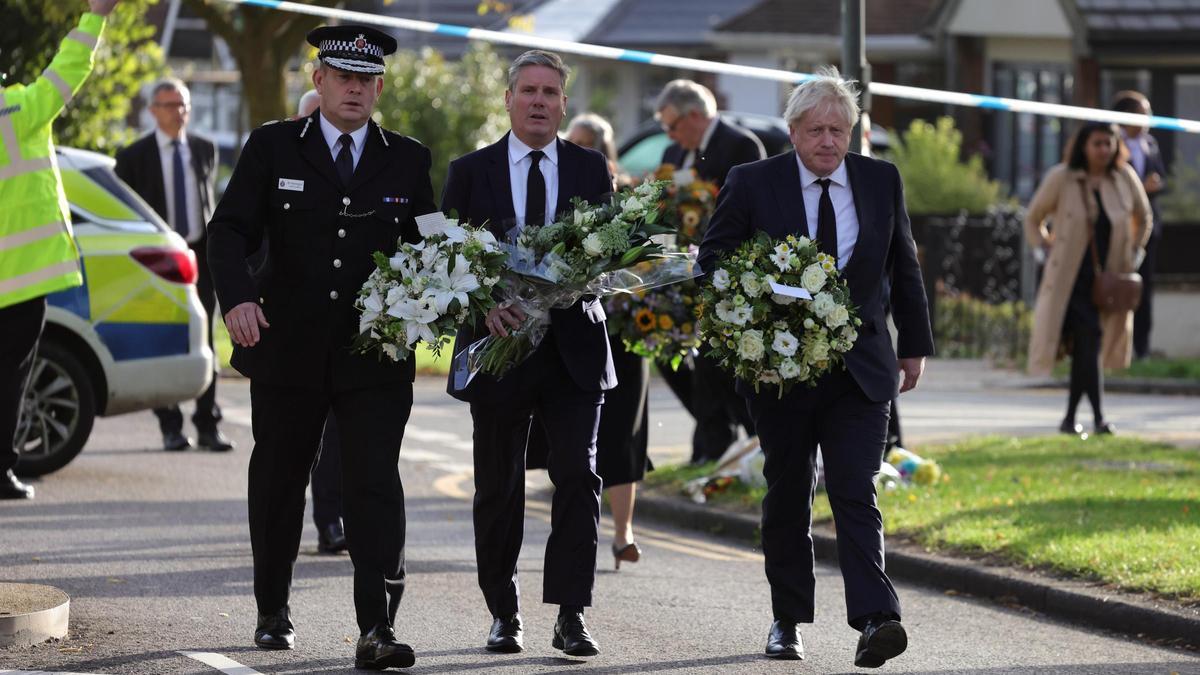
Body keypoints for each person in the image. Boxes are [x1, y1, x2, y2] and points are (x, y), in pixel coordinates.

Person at [207, 24, 436, 670]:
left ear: (380, 88)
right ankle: (272, 608)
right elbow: (226, 231)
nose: (355, 89)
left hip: (373, 356)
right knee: (279, 481)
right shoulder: (273, 147)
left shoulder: (409, 158)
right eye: (344, 77)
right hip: (288, 351)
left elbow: (435, 245)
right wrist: (238, 299)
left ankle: (377, 626)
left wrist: (447, 299)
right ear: (319, 80)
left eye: (367, 81)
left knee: (373, 487)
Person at [699, 66, 933, 667]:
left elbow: (903, 264)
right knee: (788, 491)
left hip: (862, 369)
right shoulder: (753, 181)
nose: (829, 141)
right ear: (794, 131)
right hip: (780, 371)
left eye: (840, 130)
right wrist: (761, 301)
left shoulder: (880, 180)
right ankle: (787, 619)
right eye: (817, 130)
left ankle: (876, 619)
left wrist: (916, 345)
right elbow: (715, 260)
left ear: (852, 134)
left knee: (855, 488)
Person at [441, 50, 614, 657]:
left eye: (550, 92)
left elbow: (608, 254)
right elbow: (447, 264)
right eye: (529, 91)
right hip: (499, 349)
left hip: (574, 351)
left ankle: (571, 614)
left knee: (577, 475)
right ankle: (502, 611)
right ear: (509, 99)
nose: (539, 101)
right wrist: (484, 303)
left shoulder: (592, 169)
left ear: (564, 103)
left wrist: (590, 277)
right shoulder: (470, 171)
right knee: (498, 486)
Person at [1, 0, 119, 500]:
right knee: (8, 381)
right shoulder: (18, 108)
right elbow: (69, 68)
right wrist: (97, 14)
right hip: (20, 281)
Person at [115, 78, 230, 453]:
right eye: (169, 105)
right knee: (165, 339)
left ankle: (208, 425)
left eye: (183, 104)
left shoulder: (204, 148)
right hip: (159, 262)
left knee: (205, 342)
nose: (178, 112)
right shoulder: (133, 157)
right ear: (152, 111)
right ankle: (170, 425)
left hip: (200, 258)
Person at [655, 79, 765, 464]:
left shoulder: (739, 145)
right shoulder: (674, 151)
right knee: (669, 355)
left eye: (673, 125)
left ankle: (721, 443)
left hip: (723, 270)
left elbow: (748, 210)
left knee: (711, 359)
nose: (669, 134)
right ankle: (714, 437)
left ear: (697, 115)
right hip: (678, 271)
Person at [1025, 121, 1151, 436]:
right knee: (1089, 339)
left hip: (1109, 279)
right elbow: (1033, 217)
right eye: (1097, 143)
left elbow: (1143, 216)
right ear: (1083, 145)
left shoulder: (1124, 177)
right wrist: (1042, 247)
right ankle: (1097, 417)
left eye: (1109, 143)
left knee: (1088, 347)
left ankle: (1071, 419)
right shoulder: (1062, 177)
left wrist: (1136, 250)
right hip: (1070, 280)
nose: (1103, 150)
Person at [564, 113, 646, 569]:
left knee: (623, 434)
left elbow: (651, 261)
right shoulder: (561, 192)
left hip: (628, 332)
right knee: (578, 438)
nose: (574, 150)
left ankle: (622, 531)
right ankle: (582, 526)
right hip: (581, 329)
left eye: (583, 144)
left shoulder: (630, 196)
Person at [294, 88, 347, 555]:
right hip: (294, 334)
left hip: (354, 335)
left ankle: (332, 519)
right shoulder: (279, 159)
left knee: (340, 437)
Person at [1111, 91, 1166, 360]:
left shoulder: (1151, 144)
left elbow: (1163, 178)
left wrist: (1155, 185)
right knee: (1115, 287)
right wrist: (1140, 189)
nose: (1148, 120)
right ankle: (1112, 348)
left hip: (1146, 233)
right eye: (1143, 113)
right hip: (1118, 231)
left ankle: (1141, 350)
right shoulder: (1108, 145)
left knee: (1144, 288)